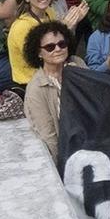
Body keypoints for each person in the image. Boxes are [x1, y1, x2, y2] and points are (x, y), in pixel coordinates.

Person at [22, 21, 85, 159]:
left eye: (62, 44)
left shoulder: (78, 65)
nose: (58, 49)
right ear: (39, 53)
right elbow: (48, 135)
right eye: (50, 47)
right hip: (67, 152)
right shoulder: (36, 88)